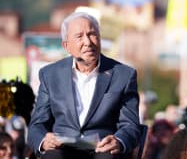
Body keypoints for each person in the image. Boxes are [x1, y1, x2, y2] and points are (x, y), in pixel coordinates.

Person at [27, 11, 141, 159]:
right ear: (66, 46)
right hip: (62, 148)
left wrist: (118, 141)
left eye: (92, 34)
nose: (88, 42)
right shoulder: (50, 74)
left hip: (102, 148)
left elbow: (130, 125)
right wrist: (43, 140)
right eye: (79, 36)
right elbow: (36, 125)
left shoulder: (124, 75)